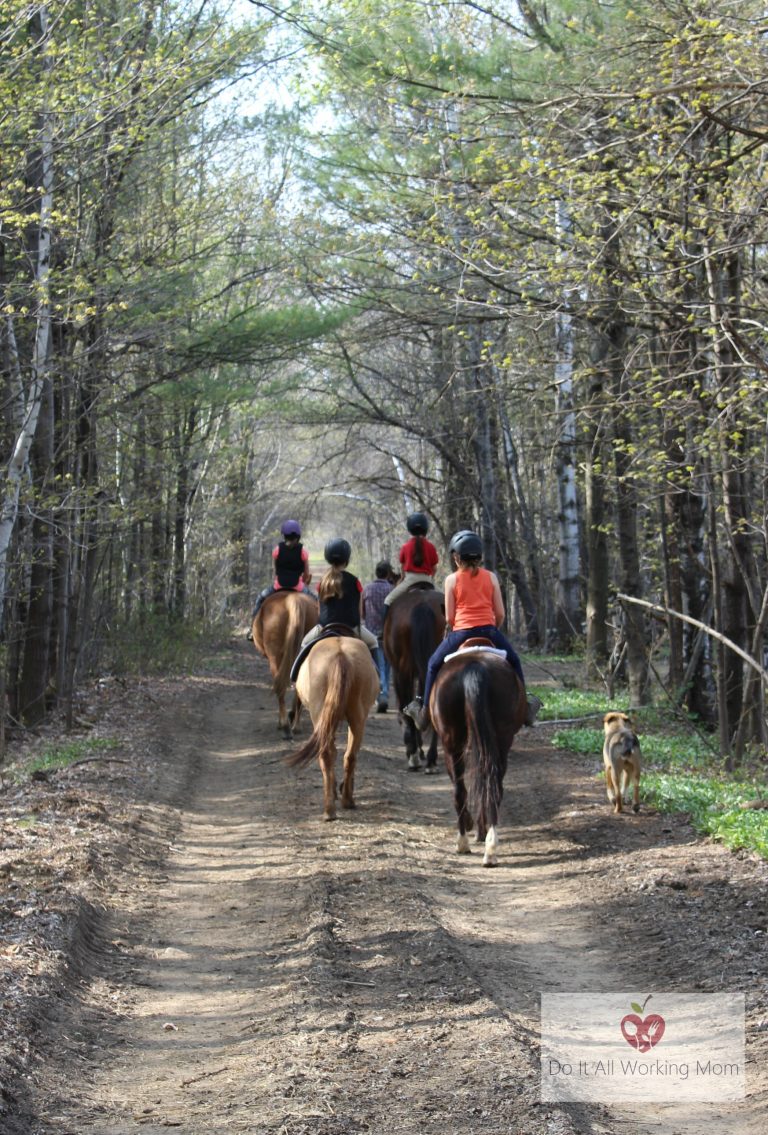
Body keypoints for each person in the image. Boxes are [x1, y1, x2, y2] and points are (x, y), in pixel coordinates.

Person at [403, 530, 541, 731]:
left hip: (461, 633)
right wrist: (493, 628)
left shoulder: (452, 580)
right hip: (489, 630)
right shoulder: (491, 577)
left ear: (457, 557)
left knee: (433, 664)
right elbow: (500, 613)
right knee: (514, 660)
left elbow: (450, 617)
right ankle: (526, 707)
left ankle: (424, 713)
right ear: (480, 556)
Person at [296, 538, 379, 656]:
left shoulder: (322, 582)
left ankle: (296, 674)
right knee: (374, 642)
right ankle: (381, 674)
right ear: (347, 559)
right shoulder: (355, 581)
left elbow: (319, 611)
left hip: (324, 627)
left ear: (328, 559)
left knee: (304, 643)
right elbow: (359, 611)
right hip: (351, 627)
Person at [251, 519, 316, 624]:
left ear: (284, 535)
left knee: (260, 598)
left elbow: (275, 571)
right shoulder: (303, 551)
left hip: (279, 586)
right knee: (316, 600)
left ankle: (253, 625)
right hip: (298, 587)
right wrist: (303, 581)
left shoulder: (277, 550)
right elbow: (306, 574)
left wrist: (276, 580)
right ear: (298, 536)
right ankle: (320, 628)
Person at [383, 512, 439, 608]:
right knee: (446, 600)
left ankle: (383, 623)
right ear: (425, 528)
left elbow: (402, 567)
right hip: (427, 579)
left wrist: (402, 578)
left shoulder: (405, 547)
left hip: (410, 580)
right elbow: (434, 568)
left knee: (388, 600)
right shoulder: (431, 547)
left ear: (410, 529)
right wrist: (430, 578)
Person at [363, 561, 394, 712]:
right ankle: (384, 693)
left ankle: (379, 694)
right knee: (386, 666)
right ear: (388, 574)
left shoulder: (367, 589)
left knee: (376, 665)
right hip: (387, 634)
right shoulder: (391, 590)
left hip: (371, 634)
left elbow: (361, 613)